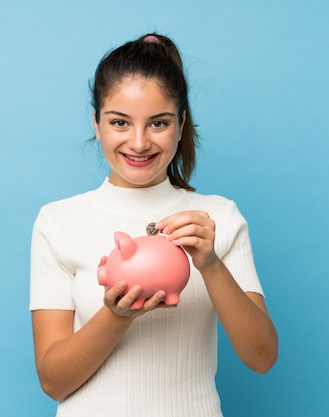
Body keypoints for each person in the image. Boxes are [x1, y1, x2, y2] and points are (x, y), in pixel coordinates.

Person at [29, 33, 278, 417]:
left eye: (158, 123)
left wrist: (209, 265)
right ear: (96, 123)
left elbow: (261, 357)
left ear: (180, 124)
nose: (139, 142)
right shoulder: (58, 221)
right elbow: (53, 381)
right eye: (120, 122)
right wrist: (116, 316)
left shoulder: (219, 218)